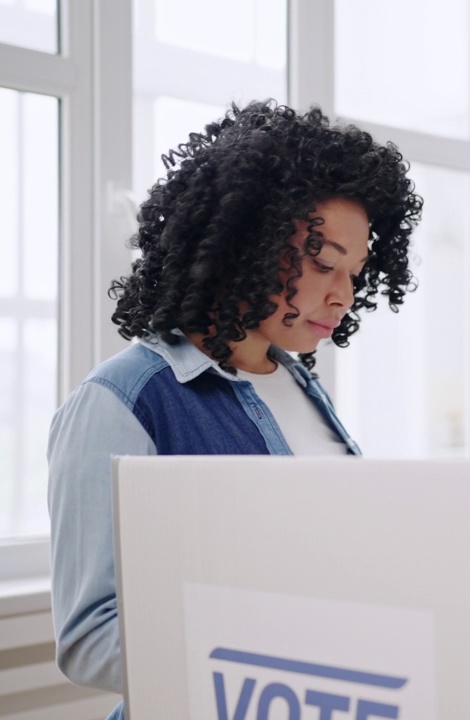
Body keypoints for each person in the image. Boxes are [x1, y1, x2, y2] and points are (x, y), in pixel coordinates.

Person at [46, 101, 422, 720]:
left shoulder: (298, 384)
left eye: (355, 273)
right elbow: (90, 640)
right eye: (324, 262)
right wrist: (286, 640)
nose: (343, 295)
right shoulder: (122, 401)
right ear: (246, 243)